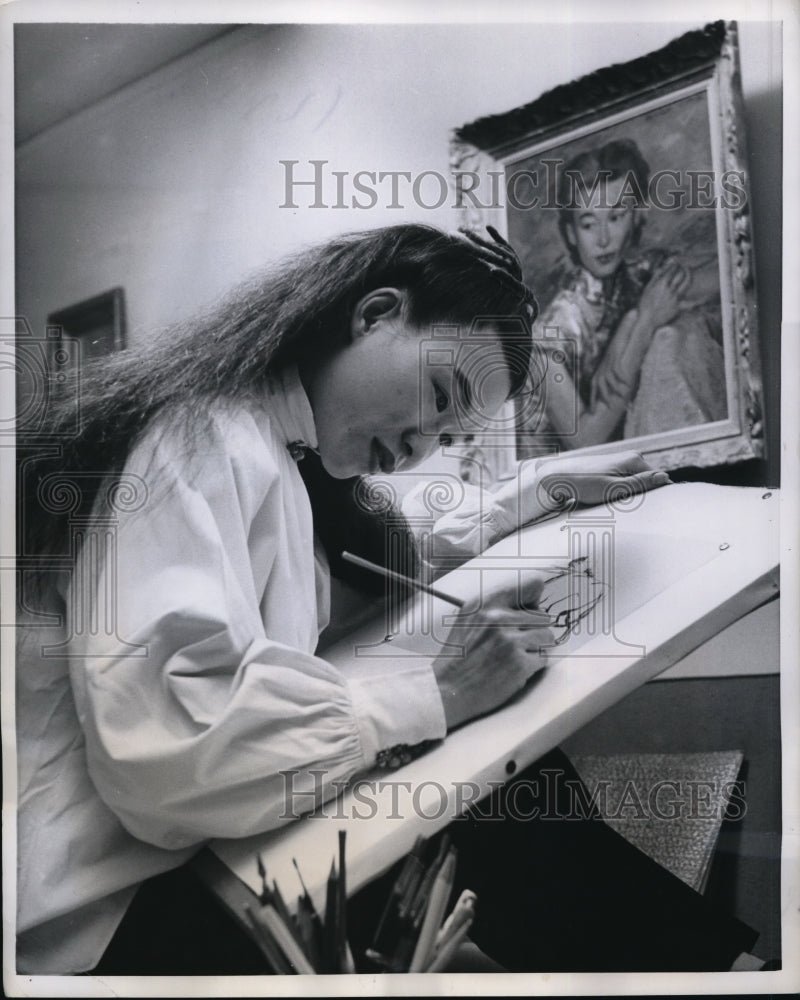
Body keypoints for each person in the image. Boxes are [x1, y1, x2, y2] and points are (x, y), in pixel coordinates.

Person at [15, 224, 748, 976]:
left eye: (448, 433)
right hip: (98, 930)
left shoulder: (274, 450)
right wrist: (439, 693)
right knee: (487, 800)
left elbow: (409, 533)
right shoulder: (199, 436)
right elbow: (165, 756)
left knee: (503, 787)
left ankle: (717, 971)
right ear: (374, 315)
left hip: (176, 878)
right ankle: (723, 974)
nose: (419, 447)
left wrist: (544, 488)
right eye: (437, 395)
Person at [520, 138, 727, 451]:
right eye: (589, 224)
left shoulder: (635, 272)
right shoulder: (552, 332)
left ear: (637, 214)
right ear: (571, 234)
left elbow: (727, 271)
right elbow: (584, 439)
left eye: (616, 217)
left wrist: (632, 320)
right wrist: (643, 326)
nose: (604, 239)